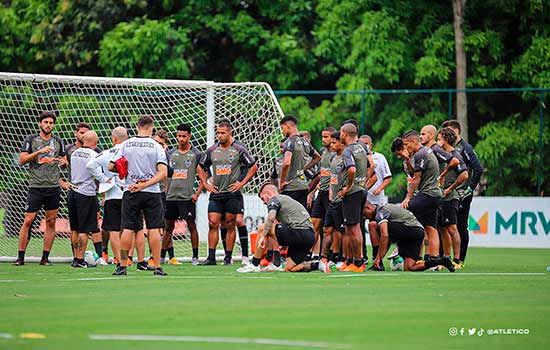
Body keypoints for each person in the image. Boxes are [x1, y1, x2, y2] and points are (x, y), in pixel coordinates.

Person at [109, 115, 168, 276]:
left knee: (127, 229)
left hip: (131, 190)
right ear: (151, 128)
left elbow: (111, 166)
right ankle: (157, 266)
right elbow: (163, 173)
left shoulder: (126, 144)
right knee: (154, 229)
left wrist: (124, 171)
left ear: (137, 127)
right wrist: (145, 183)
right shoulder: (156, 146)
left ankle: (122, 265)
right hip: (151, 192)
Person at [198, 120, 258, 265]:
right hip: (216, 193)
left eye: (222, 133)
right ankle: (211, 258)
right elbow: (200, 166)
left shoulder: (238, 149)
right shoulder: (212, 150)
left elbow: (253, 166)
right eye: (218, 133)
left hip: (232, 193)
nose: (219, 135)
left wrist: (241, 183)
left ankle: (228, 257)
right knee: (213, 223)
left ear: (230, 132)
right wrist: (206, 184)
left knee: (231, 223)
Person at [236, 184, 329, 273]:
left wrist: (263, 236)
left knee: (262, 228)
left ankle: (254, 265)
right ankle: (318, 265)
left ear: (268, 193)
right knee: (290, 268)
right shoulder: (287, 200)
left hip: (299, 231)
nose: (264, 202)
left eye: (262, 198)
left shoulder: (274, 199)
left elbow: (271, 217)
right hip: (309, 237)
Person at [13, 112, 67, 266]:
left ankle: (45, 258)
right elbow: (22, 160)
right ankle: (20, 257)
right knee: (28, 220)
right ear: (40, 124)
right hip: (36, 187)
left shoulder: (58, 141)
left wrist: (64, 162)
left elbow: (64, 160)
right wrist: (38, 152)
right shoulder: (31, 140)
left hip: (53, 188)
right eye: (45, 122)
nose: (48, 125)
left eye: (51, 122)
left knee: (51, 222)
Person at [363, 201, 455, 272]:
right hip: (417, 233)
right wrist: (380, 258)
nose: (365, 217)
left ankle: (377, 260)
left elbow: (385, 235)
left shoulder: (381, 211)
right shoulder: (385, 211)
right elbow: (387, 240)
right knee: (410, 267)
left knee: (373, 225)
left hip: (410, 230)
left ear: (368, 208)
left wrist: (378, 257)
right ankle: (441, 261)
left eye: (364, 214)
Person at [441, 120, 484, 267]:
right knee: (444, 226)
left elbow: (478, 168)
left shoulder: (465, 148)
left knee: (460, 226)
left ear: (456, 131)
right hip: (447, 192)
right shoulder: (445, 148)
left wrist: (470, 188)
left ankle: (460, 260)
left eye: (447, 131)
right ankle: (443, 258)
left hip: (462, 193)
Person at [86, 127, 128, 267]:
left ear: (113, 139)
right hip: (130, 194)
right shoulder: (130, 151)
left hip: (112, 195)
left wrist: (103, 178)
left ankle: (119, 260)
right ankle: (129, 259)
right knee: (131, 230)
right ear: (126, 138)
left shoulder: (107, 153)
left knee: (114, 230)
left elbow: (90, 165)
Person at [400, 130, 442, 265]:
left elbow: (416, 179)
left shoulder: (421, 154)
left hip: (428, 194)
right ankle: (433, 259)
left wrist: (408, 198)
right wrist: (407, 159)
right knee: (430, 227)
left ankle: (406, 253)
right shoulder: (425, 151)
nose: (406, 147)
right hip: (435, 195)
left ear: (413, 141)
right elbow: (414, 173)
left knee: (405, 214)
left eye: (407, 144)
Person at [165, 123, 203, 266]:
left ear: (189, 136)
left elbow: (204, 177)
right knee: (168, 228)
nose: (181, 139)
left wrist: (197, 193)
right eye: (179, 136)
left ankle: (195, 257)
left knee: (191, 225)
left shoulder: (196, 154)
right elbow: (164, 174)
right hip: (171, 197)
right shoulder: (169, 154)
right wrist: (165, 191)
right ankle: (162, 257)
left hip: (187, 197)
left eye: (184, 136)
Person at [68, 131, 104, 267]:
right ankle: (80, 259)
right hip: (86, 193)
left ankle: (75, 258)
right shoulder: (94, 155)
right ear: (95, 143)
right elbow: (98, 172)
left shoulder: (74, 153)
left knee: (75, 228)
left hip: (73, 191)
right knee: (85, 229)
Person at [338, 123, 369, 272]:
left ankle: (358, 262)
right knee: (350, 227)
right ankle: (350, 261)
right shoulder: (363, 147)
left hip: (352, 193)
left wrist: (348, 187)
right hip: (361, 189)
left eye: (340, 133)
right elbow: (372, 165)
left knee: (354, 227)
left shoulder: (347, 151)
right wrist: (363, 182)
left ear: (344, 134)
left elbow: (351, 169)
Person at [438, 127, 469, 268]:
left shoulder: (455, 154)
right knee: (443, 228)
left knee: (452, 228)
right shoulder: (442, 154)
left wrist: (450, 189)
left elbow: (464, 175)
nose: (438, 142)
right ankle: (446, 258)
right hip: (441, 197)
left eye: (439, 139)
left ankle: (457, 261)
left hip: (451, 197)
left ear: (445, 139)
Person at [360, 134, 392, 267]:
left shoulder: (380, 157)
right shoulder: (357, 158)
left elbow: (388, 177)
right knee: (359, 227)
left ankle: (377, 257)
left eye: (366, 143)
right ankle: (362, 257)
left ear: (371, 145)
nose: (364, 146)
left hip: (377, 201)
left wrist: (379, 188)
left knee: (375, 227)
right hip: (362, 200)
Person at [278, 115, 321, 209]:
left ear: (288, 126)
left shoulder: (289, 141)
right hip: (303, 186)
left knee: (288, 218)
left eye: (282, 128)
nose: (282, 131)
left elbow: (286, 163)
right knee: (300, 217)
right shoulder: (305, 141)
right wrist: (303, 169)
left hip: (291, 187)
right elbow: (317, 157)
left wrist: (282, 182)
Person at [320, 131, 345, 268]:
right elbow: (332, 177)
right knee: (326, 229)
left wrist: (345, 190)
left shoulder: (346, 158)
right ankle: (324, 258)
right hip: (332, 199)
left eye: (335, 142)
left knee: (340, 230)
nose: (333, 145)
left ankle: (341, 258)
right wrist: (330, 190)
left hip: (342, 200)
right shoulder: (333, 157)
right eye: (332, 142)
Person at [310, 127, 336, 260]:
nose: (323, 139)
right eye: (323, 136)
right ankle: (311, 255)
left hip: (332, 195)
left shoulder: (337, 154)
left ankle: (332, 257)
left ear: (333, 138)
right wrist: (312, 192)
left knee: (330, 228)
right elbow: (320, 175)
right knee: (314, 224)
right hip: (321, 193)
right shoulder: (322, 152)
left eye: (326, 137)